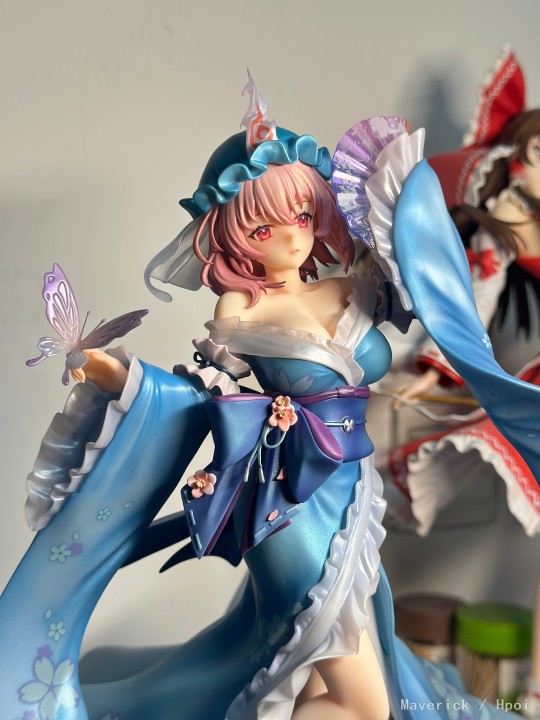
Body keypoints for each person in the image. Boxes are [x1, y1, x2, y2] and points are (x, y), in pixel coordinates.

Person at [0, 77, 538, 720]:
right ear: (232, 237)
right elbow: (208, 394)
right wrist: (122, 379)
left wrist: (426, 219)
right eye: (264, 226)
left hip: (353, 493)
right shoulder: (241, 312)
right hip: (290, 506)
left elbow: (420, 284)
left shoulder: (348, 289)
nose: (290, 237)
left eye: (303, 217)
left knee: (320, 675)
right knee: (360, 698)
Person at [383, 48, 540, 537]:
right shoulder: (509, 217)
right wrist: (439, 367)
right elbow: (476, 293)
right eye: (538, 154)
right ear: (516, 159)